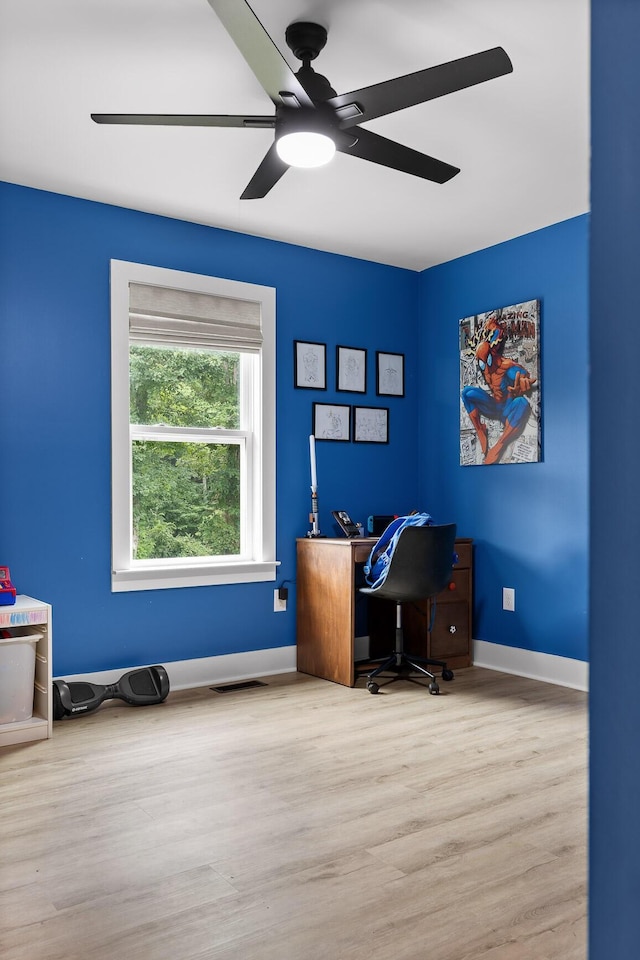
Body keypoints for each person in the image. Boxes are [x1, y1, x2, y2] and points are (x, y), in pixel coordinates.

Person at [461, 328, 536, 465]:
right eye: (482, 363)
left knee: (522, 403)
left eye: (487, 361)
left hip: (508, 410)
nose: (486, 368)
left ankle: (500, 445)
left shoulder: (505, 366)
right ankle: (480, 429)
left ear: (492, 354)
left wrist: (523, 381)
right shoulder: (484, 367)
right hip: (495, 406)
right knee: (466, 392)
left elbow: (521, 374)